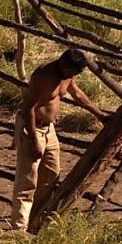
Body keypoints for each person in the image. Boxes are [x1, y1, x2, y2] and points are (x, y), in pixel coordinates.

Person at [10, 48, 109, 231]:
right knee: (27, 179)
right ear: (63, 64)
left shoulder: (67, 75)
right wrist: (33, 139)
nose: (72, 76)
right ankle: (18, 229)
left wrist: (99, 115)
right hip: (32, 128)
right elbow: (28, 108)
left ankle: (36, 222)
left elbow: (77, 94)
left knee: (51, 175)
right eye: (71, 72)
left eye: (75, 73)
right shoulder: (44, 76)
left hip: (49, 129)